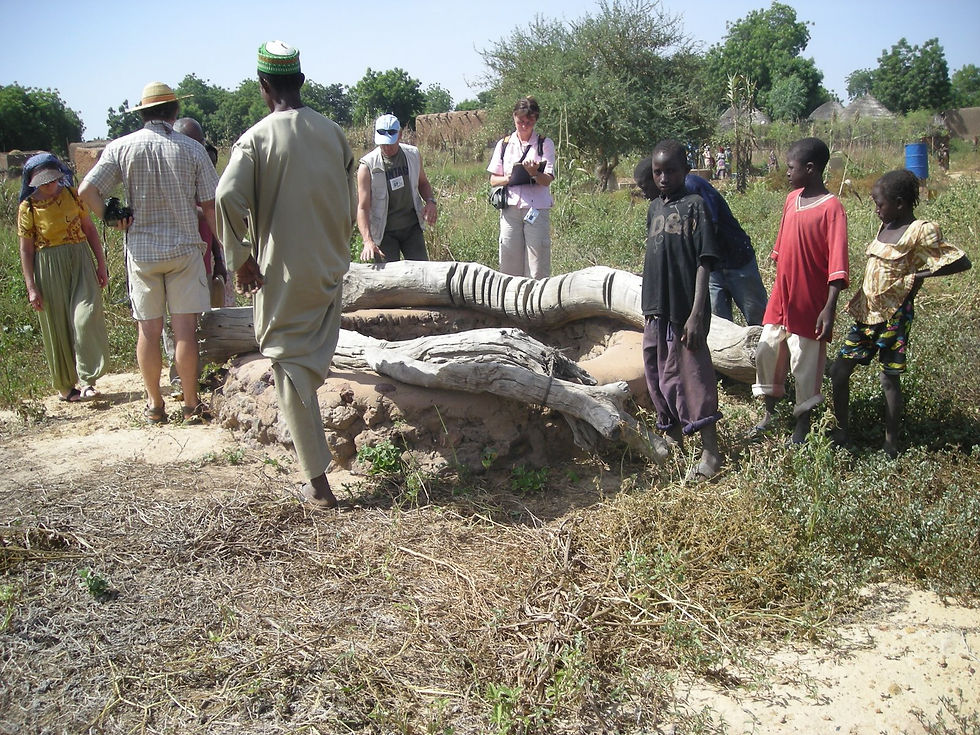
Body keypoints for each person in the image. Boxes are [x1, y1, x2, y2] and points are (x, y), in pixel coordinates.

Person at [216, 40, 356, 510]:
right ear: (299, 79)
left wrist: (240, 258)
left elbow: (225, 198)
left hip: (286, 274)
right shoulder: (333, 132)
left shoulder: (256, 140)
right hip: (329, 269)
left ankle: (317, 485)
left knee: (289, 363)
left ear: (263, 86)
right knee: (307, 360)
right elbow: (345, 198)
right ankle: (317, 469)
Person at [79, 81, 218, 425]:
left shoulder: (121, 147)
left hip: (141, 249)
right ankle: (190, 403)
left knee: (149, 331)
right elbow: (211, 205)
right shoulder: (192, 149)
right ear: (174, 112)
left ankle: (155, 405)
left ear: (143, 113)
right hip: (184, 247)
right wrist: (225, 246)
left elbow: (86, 189)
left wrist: (111, 217)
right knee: (185, 330)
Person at [830, 169, 970, 457]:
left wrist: (918, 276)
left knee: (888, 378)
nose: (876, 209)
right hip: (867, 313)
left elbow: (961, 261)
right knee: (840, 371)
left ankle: (891, 443)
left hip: (895, 316)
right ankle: (842, 431)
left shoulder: (920, 230)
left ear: (900, 203)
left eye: (879, 204)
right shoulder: (885, 226)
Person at [751, 137, 849, 443]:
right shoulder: (791, 200)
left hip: (810, 300)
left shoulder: (832, 208)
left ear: (811, 168)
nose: (787, 173)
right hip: (783, 295)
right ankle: (770, 413)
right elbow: (782, 251)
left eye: (791, 168)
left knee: (803, 361)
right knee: (766, 350)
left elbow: (837, 262)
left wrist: (829, 307)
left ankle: (803, 424)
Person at [641, 140, 724, 481]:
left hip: (683, 309)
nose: (663, 178)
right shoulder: (654, 209)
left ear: (685, 171)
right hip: (656, 307)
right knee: (657, 371)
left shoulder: (695, 206)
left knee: (693, 376)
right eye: (657, 171)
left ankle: (710, 452)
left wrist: (696, 313)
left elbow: (704, 263)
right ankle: (671, 435)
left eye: (671, 171)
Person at [18, 154, 110, 402]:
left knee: (85, 317)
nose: (51, 186)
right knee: (57, 326)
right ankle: (66, 387)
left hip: (80, 261)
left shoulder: (72, 195)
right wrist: (31, 287)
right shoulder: (28, 207)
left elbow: (89, 229)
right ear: (33, 181)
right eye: (44, 182)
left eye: (54, 179)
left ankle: (88, 380)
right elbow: (26, 249)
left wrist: (101, 265)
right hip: (48, 267)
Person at [634, 157, 768, 325]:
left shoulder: (692, 188)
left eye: (644, 187)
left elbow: (709, 228)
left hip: (736, 260)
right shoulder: (662, 204)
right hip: (712, 270)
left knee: (758, 318)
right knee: (720, 325)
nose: (644, 194)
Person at [159, 117, 230, 399]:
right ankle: (180, 380)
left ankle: (202, 373)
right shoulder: (169, 174)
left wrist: (219, 260)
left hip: (200, 263)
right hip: (175, 261)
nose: (197, 147)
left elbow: (211, 227)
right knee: (174, 326)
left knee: (201, 322)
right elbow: (204, 213)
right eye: (193, 142)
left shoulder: (203, 168)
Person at [487, 96, 556, 279]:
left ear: (535, 120)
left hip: (536, 209)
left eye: (529, 122)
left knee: (537, 265)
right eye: (520, 121)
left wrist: (534, 173)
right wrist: (510, 177)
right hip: (510, 210)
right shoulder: (504, 144)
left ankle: (536, 305)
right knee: (509, 264)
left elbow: (547, 179)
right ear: (514, 118)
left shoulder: (544, 144)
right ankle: (511, 304)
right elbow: (493, 180)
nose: (524, 126)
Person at [357, 114, 437, 263]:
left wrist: (431, 202)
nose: (386, 147)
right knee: (388, 283)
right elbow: (363, 208)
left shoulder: (413, 154)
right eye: (383, 143)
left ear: (400, 135)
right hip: (384, 232)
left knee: (421, 276)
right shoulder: (367, 166)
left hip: (412, 228)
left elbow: (423, 183)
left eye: (390, 143)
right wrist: (367, 241)